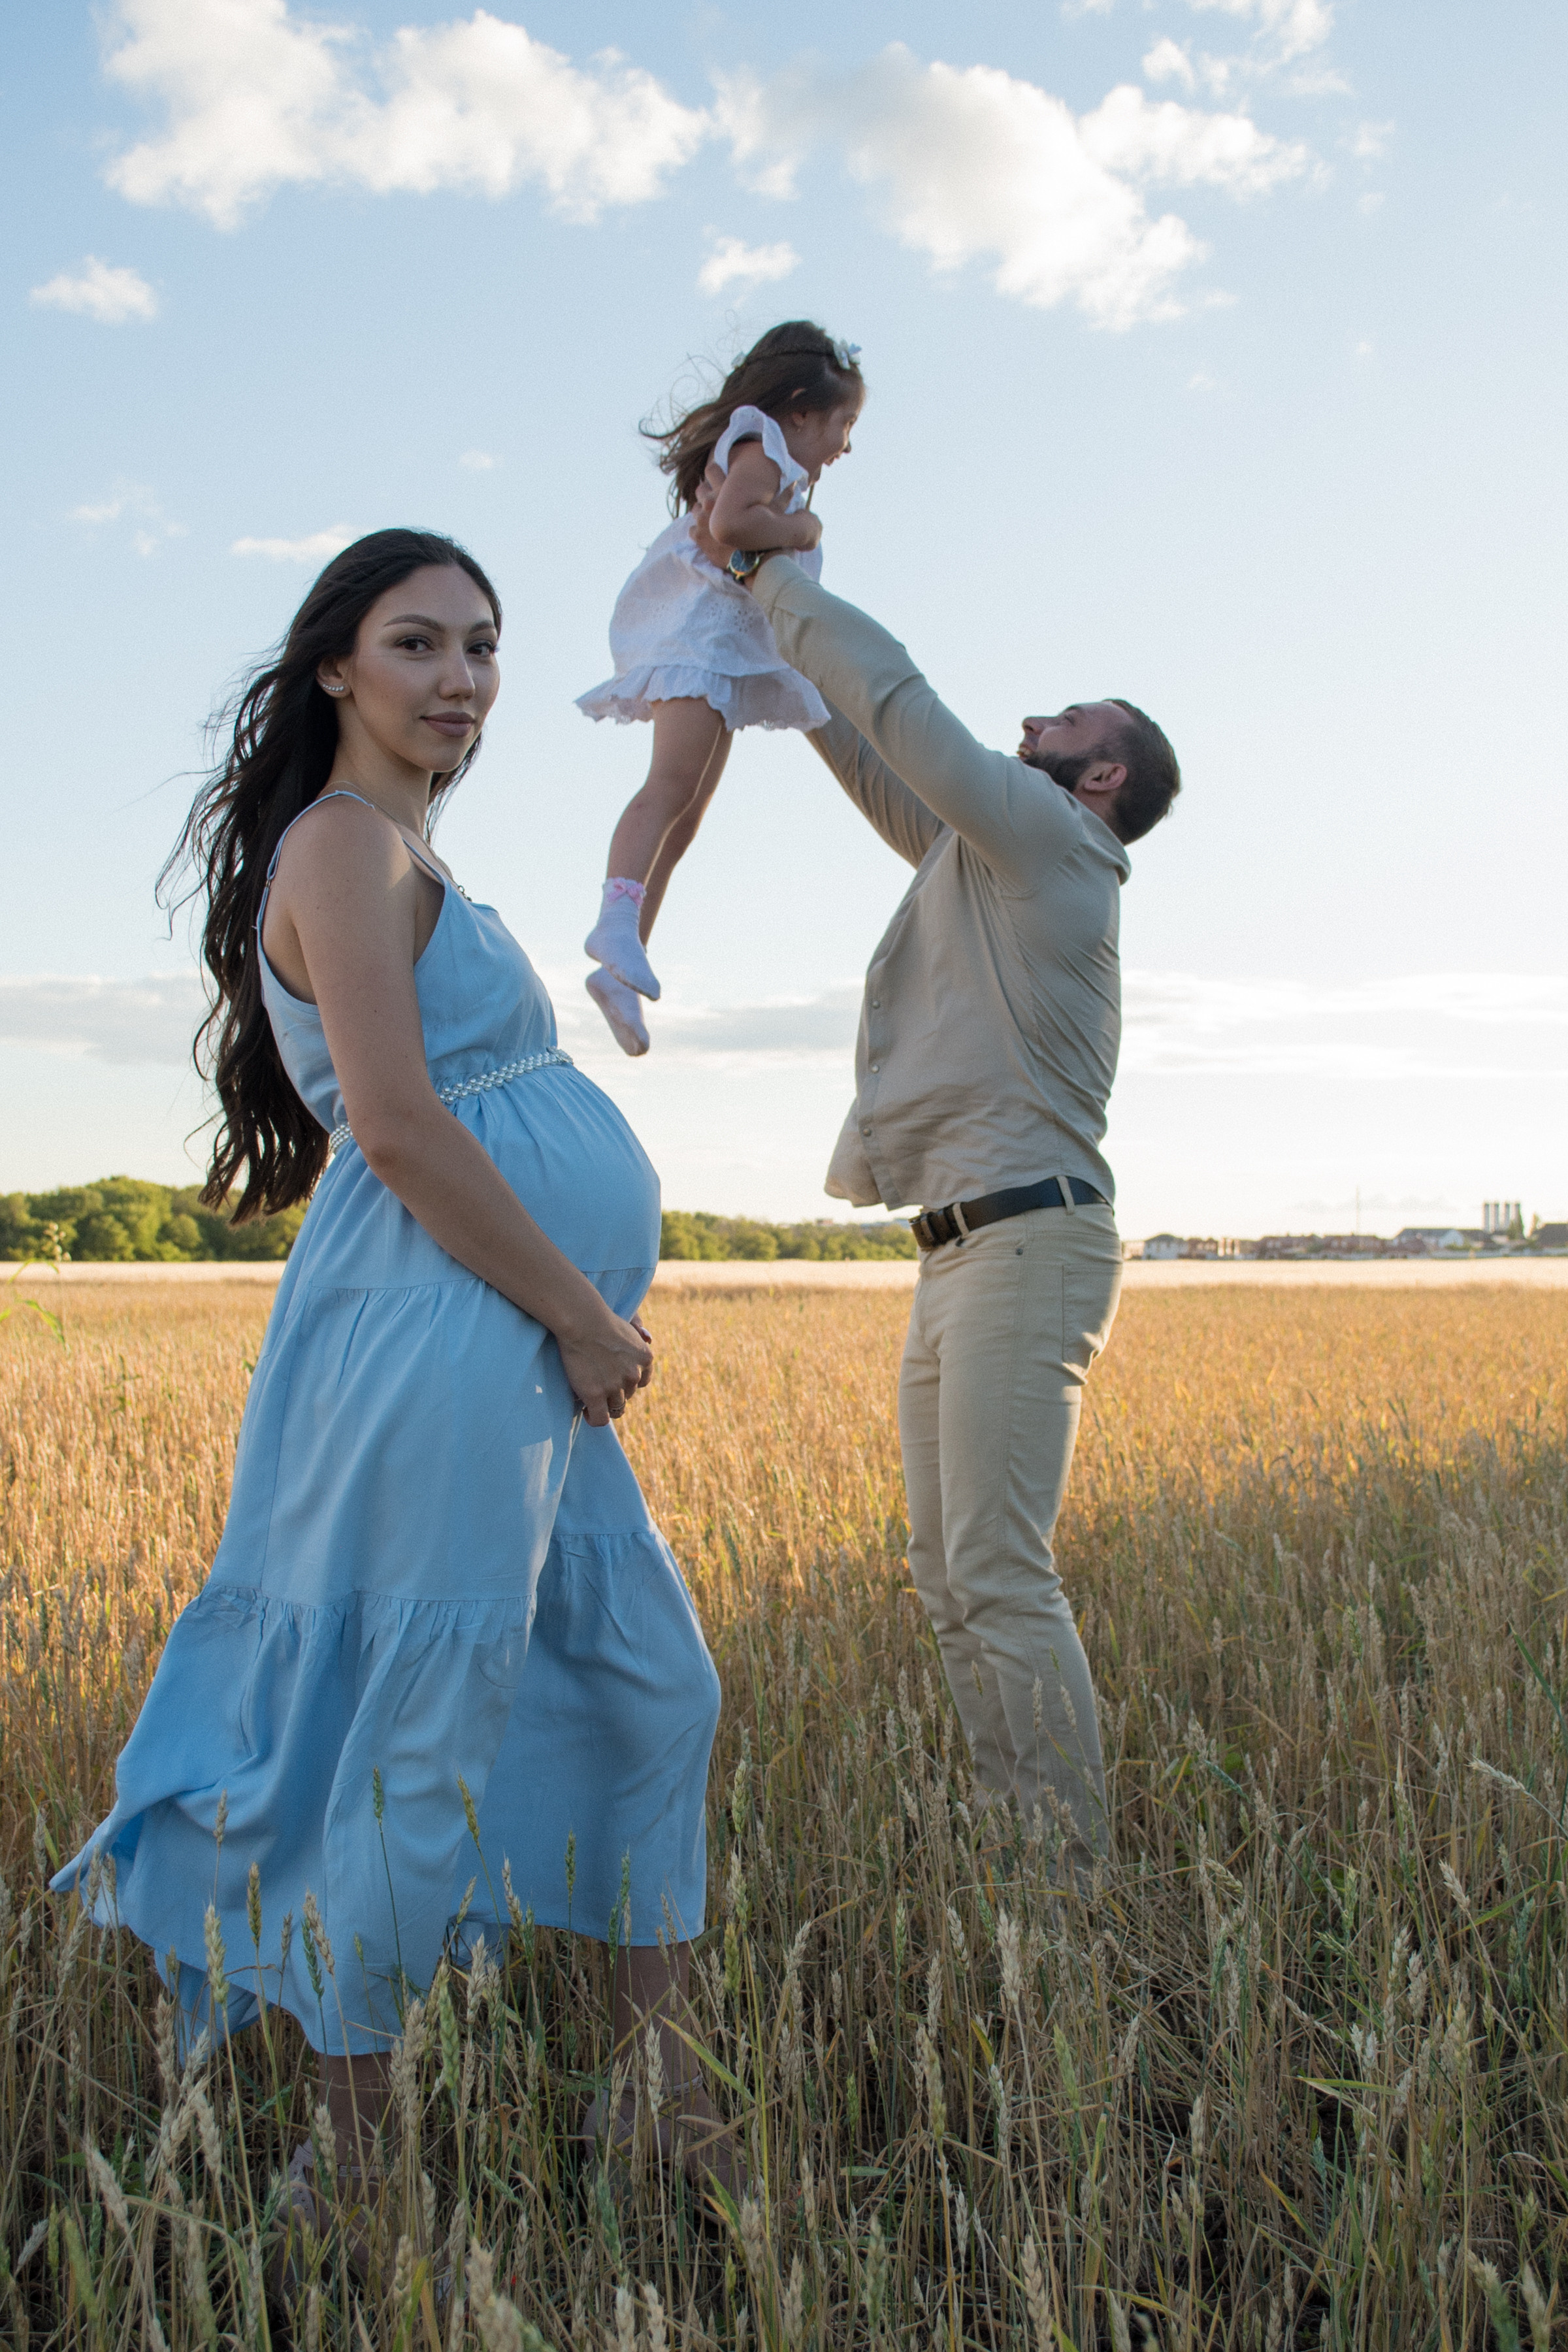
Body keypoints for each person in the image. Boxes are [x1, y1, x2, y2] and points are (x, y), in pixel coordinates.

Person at [54, 530, 731, 2261]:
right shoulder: (343, 843)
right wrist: (583, 1313)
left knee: (654, 1681)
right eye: (417, 643)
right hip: (452, 1327)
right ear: (335, 670)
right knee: (410, 1743)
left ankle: (663, 2082)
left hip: (496, 1332)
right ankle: (349, 2163)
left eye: (485, 648)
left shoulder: (410, 847)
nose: (459, 678)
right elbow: (406, 1127)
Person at [693, 495, 1181, 1879]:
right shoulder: (986, 856)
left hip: (1033, 1240)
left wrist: (770, 569)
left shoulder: (1057, 849)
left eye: (1070, 721)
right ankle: (1017, 1851)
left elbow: (909, 712)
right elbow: (880, 756)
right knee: (948, 1575)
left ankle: (1070, 1884)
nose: (1037, 721)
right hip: (961, 1248)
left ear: (1099, 783)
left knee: (1001, 1573)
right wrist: (781, 666)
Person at [576, 321, 864, 1054]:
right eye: (844, 424)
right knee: (668, 789)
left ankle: (623, 958)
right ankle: (613, 919)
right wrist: (801, 530)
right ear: (801, 410)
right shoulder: (761, 443)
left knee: (689, 814)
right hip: (700, 641)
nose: (846, 446)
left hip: (720, 648)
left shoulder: (767, 454)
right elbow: (733, 526)